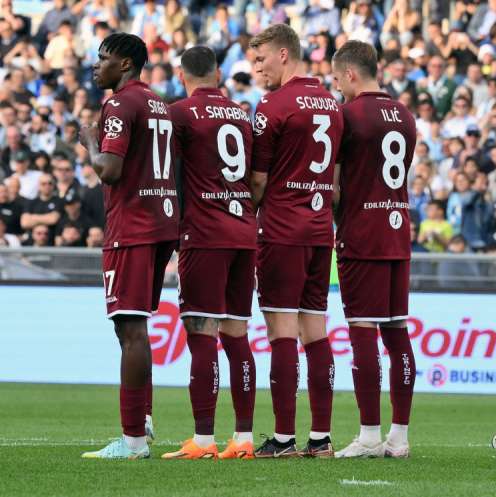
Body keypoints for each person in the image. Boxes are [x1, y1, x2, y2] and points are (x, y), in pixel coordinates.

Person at [80, 33, 179, 459]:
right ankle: (144, 419)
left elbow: (109, 170)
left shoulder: (119, 104)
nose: (95, 65)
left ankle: (133, 440)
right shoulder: (157, 102)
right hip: (162, 222)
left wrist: (88, 139)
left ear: (125, 64)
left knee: (130, 329)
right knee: (134, 326)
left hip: (134, 224)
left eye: (103, 58)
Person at [249, 24, 343, 458]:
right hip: (321, 229)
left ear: (284, 54)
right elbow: (337, 180)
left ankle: (284, 438)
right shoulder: (331, 103)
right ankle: (321, 438)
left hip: (282, 229)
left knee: (281, 331)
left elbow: (259, 181)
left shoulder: (273, 106)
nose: (257, 68)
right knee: (316, 330)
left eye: (261, 59)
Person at [160, 46, 258, 460]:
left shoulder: (179, 113)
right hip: (244, 232)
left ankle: (203, 440)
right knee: (237, 336)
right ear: (218, 73)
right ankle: (245, 439)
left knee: (202, 335)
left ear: (181, 75)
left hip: (204, 233)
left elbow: (167, 169)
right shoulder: (241, 113)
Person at [330, 40, 417, 459]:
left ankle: (368, 434)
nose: (337, 88)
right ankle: (398, 436)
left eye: (336, 79)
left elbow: (335, 184)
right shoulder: (404, 114)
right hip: (397, 233)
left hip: (362, 233)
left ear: (349, 73)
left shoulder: (347, 116)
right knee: (397, 334)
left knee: (362, 334)